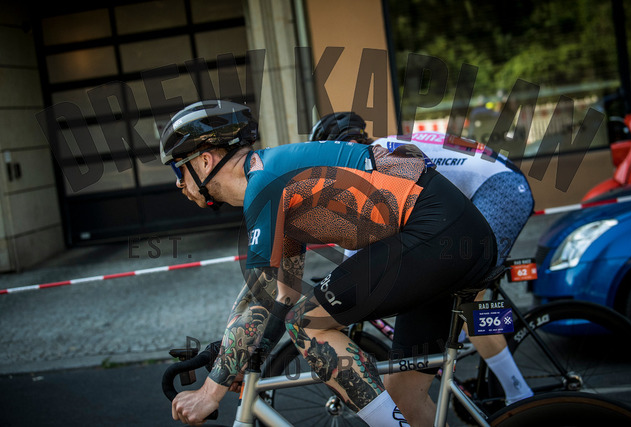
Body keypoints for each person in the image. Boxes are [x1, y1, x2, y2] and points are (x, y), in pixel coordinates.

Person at [162, 100, 497, 426]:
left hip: (437, 232)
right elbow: (281, 294)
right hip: (449, 236)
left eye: (179, 169)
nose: (178, 183)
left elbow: (261, 302)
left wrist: (210, 392)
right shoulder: (275, 180)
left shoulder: (264, 183)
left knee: (307, 322)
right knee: (405, 398)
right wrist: (240, 359)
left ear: (204, 161)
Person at [310, 112, 535, 417]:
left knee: (468, 293)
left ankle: (520, 396)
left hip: (500, 188)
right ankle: (462, 343)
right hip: (490, 183)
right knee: (459, 296)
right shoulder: (381, 149)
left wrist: (340, 286)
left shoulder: (378, 157)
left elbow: (370, 230)